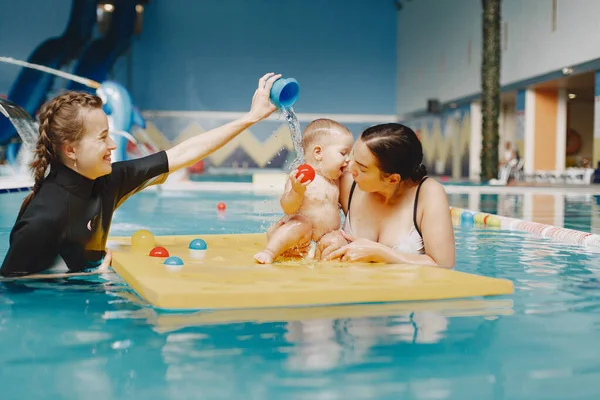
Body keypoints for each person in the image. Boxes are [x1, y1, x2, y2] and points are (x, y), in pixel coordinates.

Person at [0, 72, 282, 277]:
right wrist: (80, 277)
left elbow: (182, 154)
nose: (112, 145)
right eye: (102, 138)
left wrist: (250, 118)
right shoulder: (44, 217)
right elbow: (11, 289)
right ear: (71, 150)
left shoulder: (109, 181)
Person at [318, 123, 456, 268]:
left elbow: (443, 264)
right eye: (353, 157)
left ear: (392, 179)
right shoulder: (347, 182)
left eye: (362, 168)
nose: (350, 168)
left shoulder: (427, 193)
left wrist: (379, 253)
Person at [253, 119, 354, 264]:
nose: (348, 159)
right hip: (300, 238)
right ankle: (270, 251)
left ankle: (322, 259)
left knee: (338, 237)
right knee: (300, 224)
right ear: (318, 153)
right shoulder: (299, 177)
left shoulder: (336, 180)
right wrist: (297, 191)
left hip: (323, 239)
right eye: (343, 153)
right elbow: (288, 207)